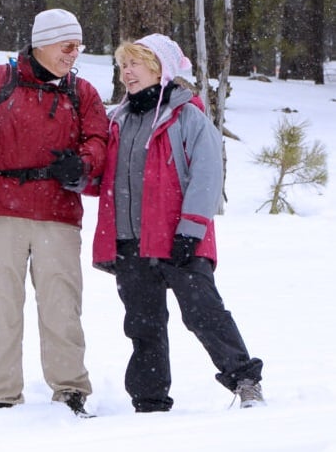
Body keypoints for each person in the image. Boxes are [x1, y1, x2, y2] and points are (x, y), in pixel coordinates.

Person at [0, 8, 109, 417]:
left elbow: (99, 138)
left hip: (58, 211)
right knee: (0, 303)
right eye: (67, 46)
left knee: (62, 304)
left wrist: (84, 162)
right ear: (42, 43)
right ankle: (2, 393)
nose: (74, 54)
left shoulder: (81, 92)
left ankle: (70, 388)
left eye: (79, 47)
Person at [91, 34, 265, 413]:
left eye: (135, 64)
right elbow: (101, 178)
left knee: (204, 314)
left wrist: (191, 229)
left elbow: (207, 174)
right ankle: (149, 401)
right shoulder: (116, 120)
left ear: (160, 69)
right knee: (142, 325)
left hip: (178, 239)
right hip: (130, 241)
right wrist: (74, 172)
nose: (127, 72)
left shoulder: (188, 117)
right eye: (123, 65)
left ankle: (246, 381)